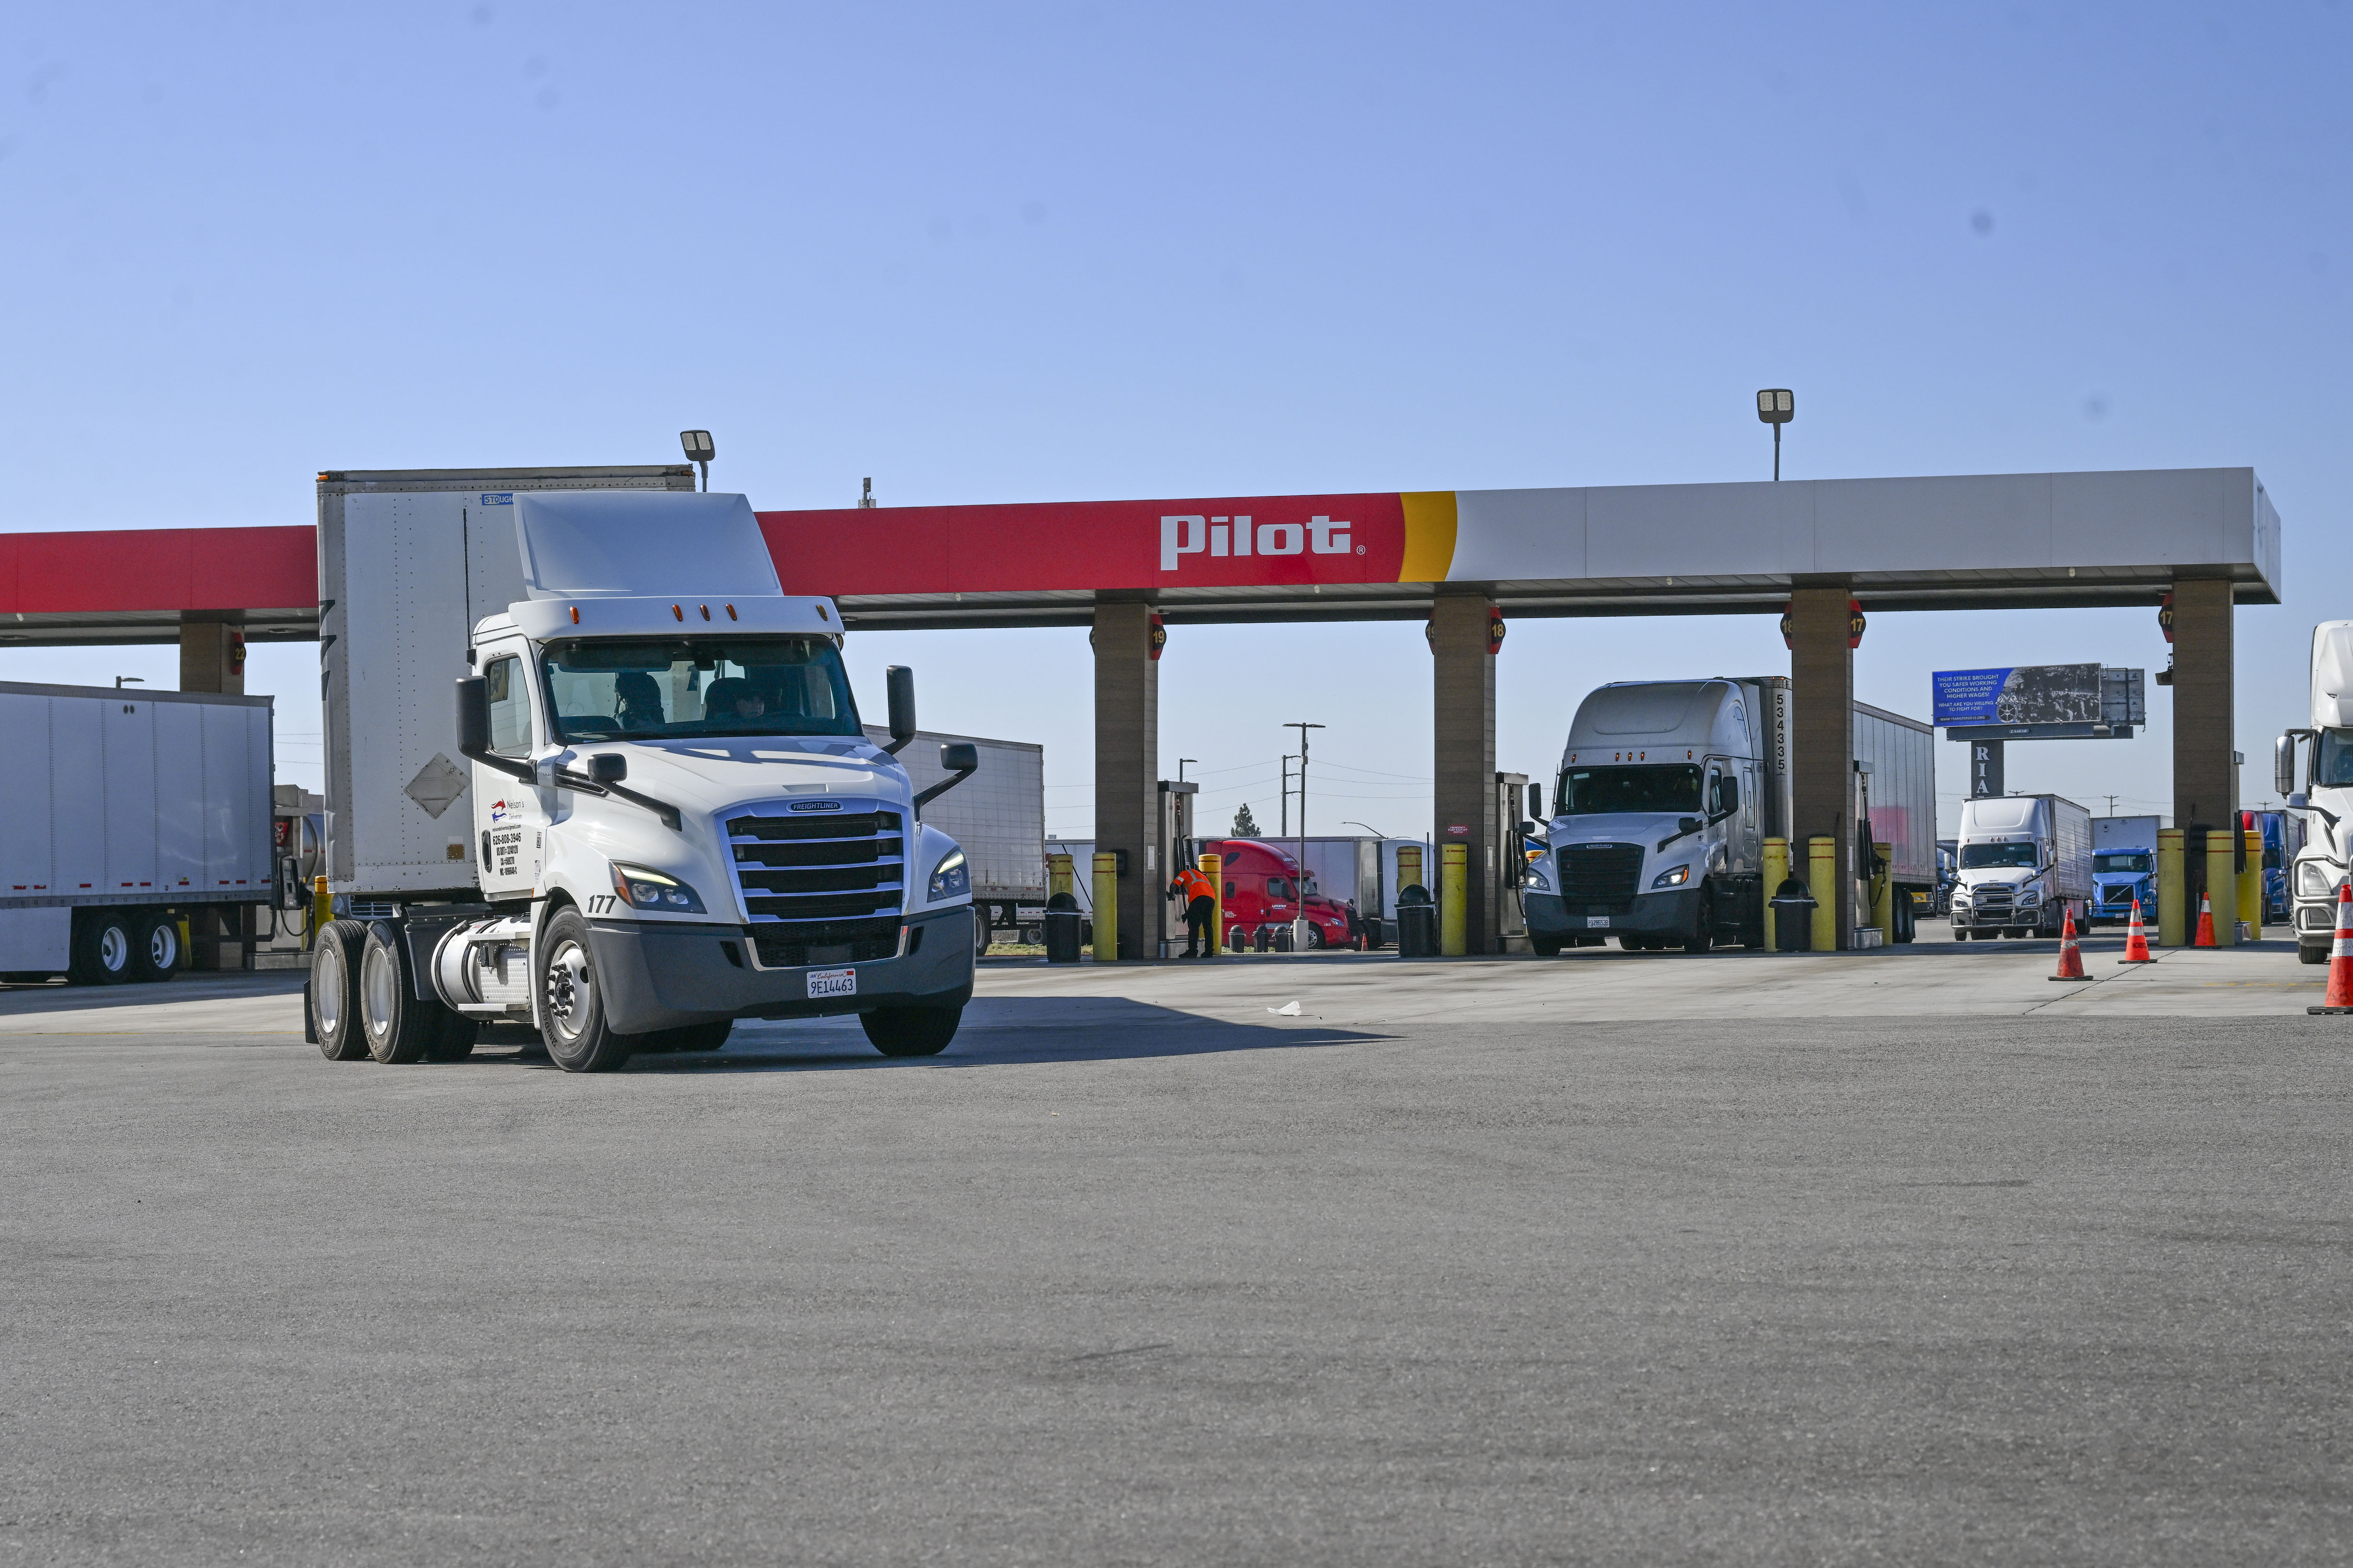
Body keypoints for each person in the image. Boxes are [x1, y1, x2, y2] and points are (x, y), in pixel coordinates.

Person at [1169, 859, 1217, 958]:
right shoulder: (1203, 876)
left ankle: (1192, 951)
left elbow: (1174, 885)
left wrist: (1172, 895)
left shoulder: (1186, 872)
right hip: (1211, 898)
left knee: (1194, 926)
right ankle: (1209, 951)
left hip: (1198, 898)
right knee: (1207, 926)